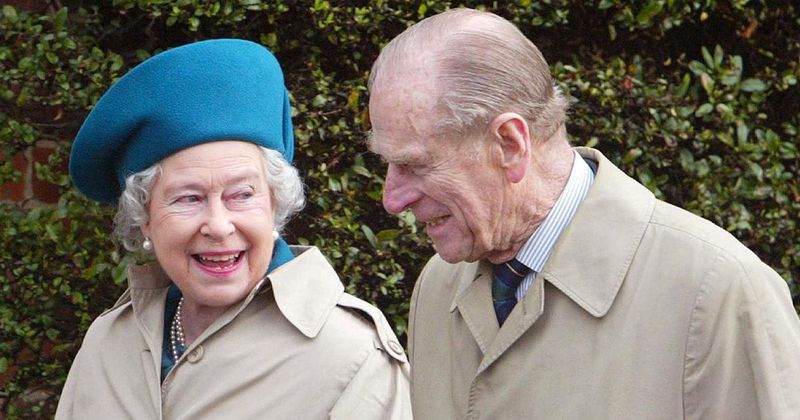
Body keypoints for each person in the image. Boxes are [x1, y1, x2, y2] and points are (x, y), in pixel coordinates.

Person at [367, 8, 800, 419]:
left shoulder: (718, 290)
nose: (392, 199)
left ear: (510, 145)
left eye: (415, 165)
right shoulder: (437, 287)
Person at [56, 39, 411, 419]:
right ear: (144, 215)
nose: (219, 226)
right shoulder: (108, 343)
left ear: (274, 204)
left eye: (241, 195)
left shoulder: (352, 354)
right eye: (188, 198)